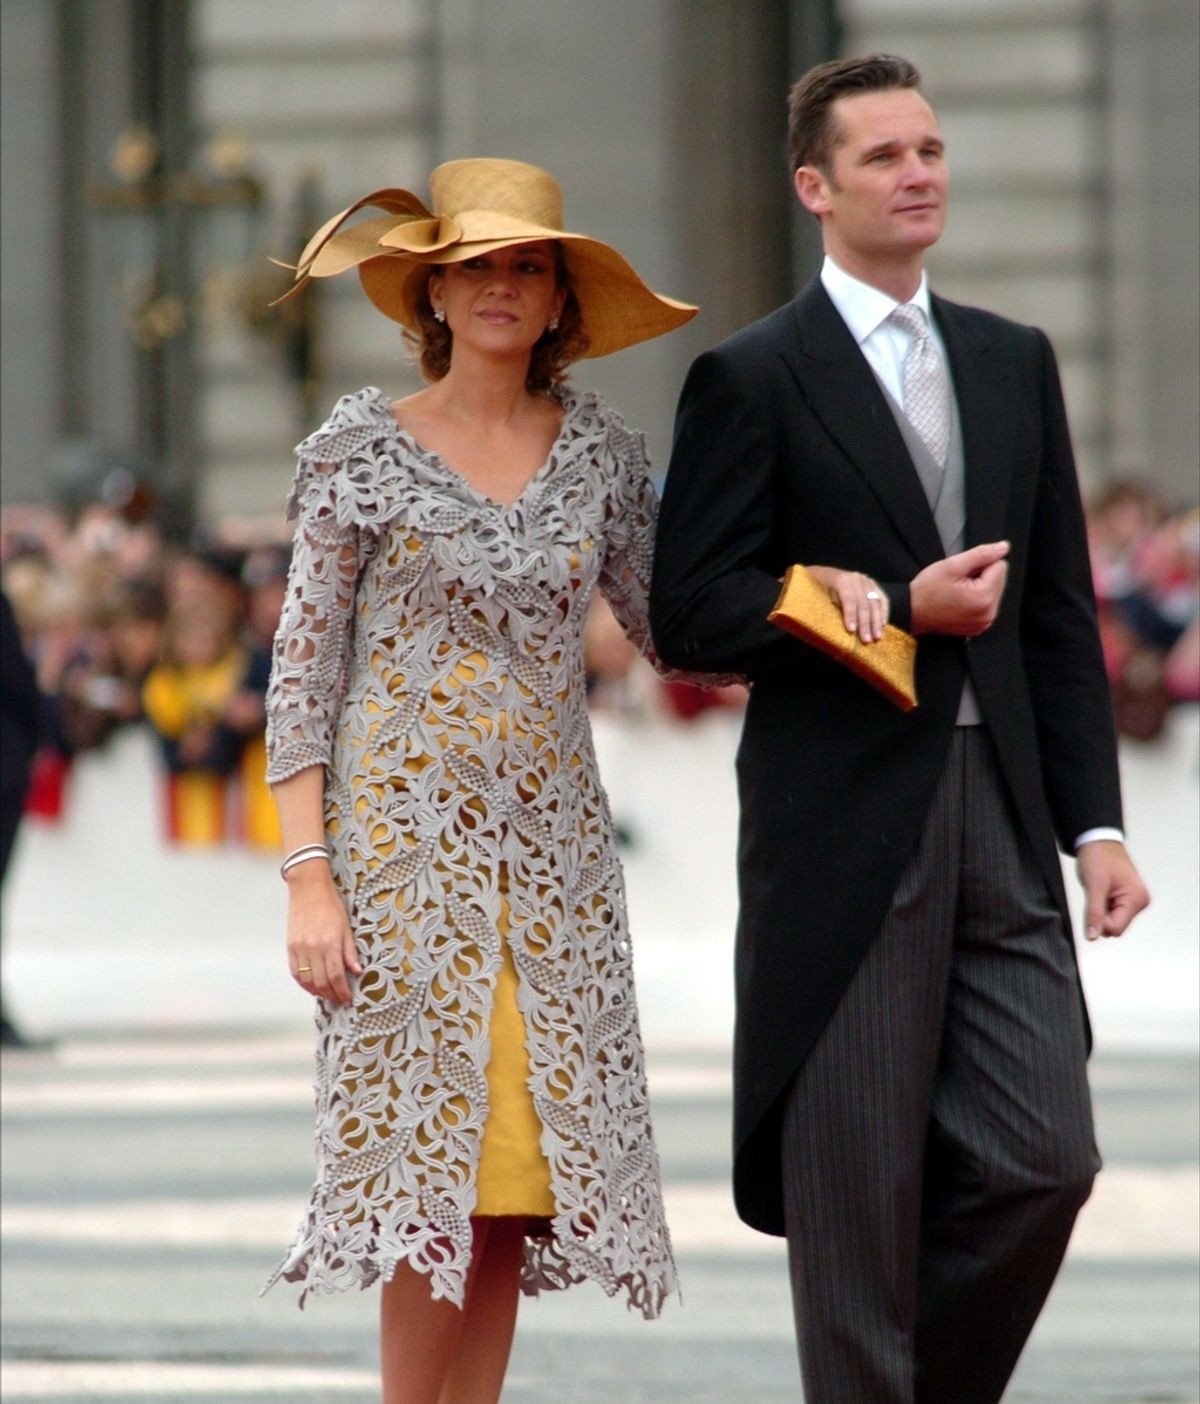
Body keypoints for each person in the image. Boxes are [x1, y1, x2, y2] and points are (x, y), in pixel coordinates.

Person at [649, 54, 1150, 1404]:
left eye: (929, 149)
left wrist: (1096, 827)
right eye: (883, 157)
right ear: (814, 187)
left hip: (1006, 814)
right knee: (857, 1204)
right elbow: (689, 611)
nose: (918, 172)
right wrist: (887, 615)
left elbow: (1055, 615)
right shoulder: (751, 378)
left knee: (1048, 1158)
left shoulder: (1010, 359)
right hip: (844, 826)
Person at [262, 157, 699, 1404]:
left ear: (560, 296)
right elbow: (300, 678)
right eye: (476, 268)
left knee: (519, 1184)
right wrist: (310, 881)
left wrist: (832, 599)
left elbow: (677, 630)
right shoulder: (361, 449)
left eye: (526, 265)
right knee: (429, 1181)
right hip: (401, 872)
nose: (502, 287)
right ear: (433, 297)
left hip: (558, 872)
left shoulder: (603, 458)